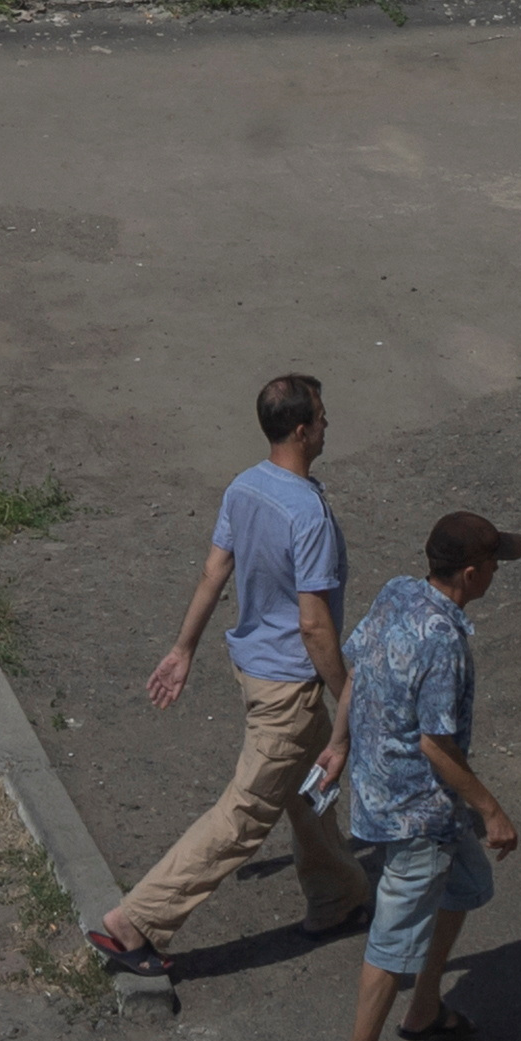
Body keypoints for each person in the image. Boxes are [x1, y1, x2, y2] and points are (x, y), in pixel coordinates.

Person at [83, 373, 367, 976]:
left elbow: (216, 570)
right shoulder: (308, 513)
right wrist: (350, 697)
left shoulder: (246, 487)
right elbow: (315, 626)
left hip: (257, 672)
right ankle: (135, 923)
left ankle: (339, 896)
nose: (326, 424)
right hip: (291, 686)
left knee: (308, 788)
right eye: (321, 415)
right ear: (299, 430)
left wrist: (184, 648)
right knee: (242, 818)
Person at [328, 512, 521, 1041]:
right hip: (417, 808)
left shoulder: (397, 592)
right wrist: (493, 811)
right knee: (393, 935)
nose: (497, 572)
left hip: (383, 790)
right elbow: (436, 746)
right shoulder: (445, 642)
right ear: (470, 573)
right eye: (494, 565)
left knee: (466, 884)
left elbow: (358, 671)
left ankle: (425, 1008)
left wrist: (338, 744)